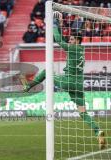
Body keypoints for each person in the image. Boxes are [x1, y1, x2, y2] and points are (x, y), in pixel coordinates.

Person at [20, 11, 106, 150]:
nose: (70, 41)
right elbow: (64, 39)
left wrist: (54, 24)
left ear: (77, 40)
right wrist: (60, 24)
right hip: (79, 85)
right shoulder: (81, 50)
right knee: (83, 112)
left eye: (72, 39)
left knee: (47, 71)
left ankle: (27, 87)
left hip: (68, 81)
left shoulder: (72, 48)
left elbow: (59, 40)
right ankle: (97, 131)